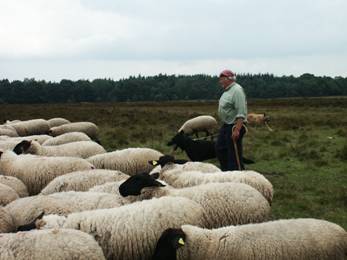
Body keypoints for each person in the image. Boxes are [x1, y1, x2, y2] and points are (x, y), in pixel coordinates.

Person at [215, 69, 247, 171]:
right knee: (220, 148)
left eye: (222, 79)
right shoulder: (227, 91)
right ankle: (226, 172)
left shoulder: (237, 90)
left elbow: (241, 111)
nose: (220, 81)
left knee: (234, 153)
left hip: (234, 125)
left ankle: (238, 174)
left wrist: (237, 129)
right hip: (226, 125)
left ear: (229, 79)